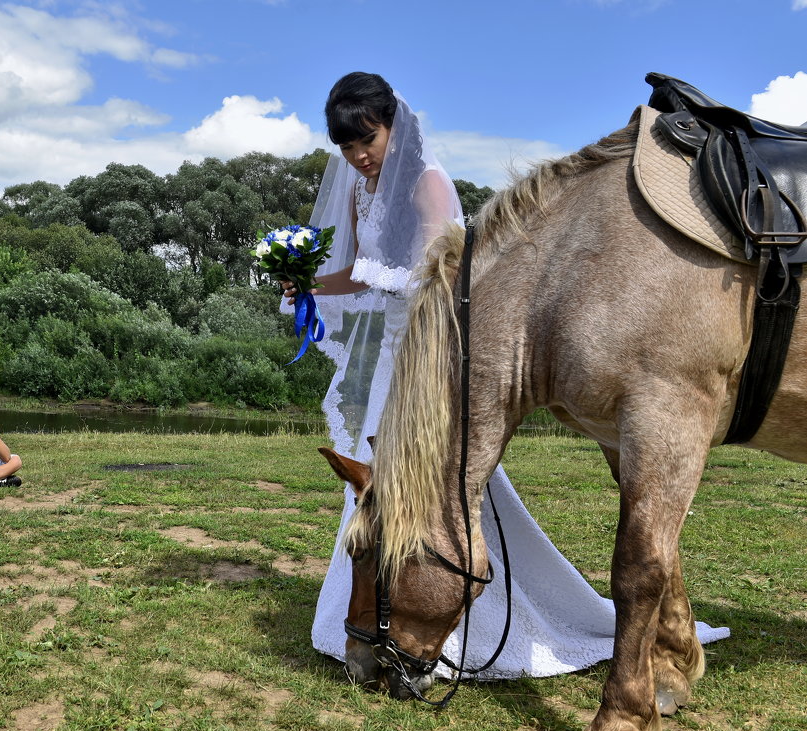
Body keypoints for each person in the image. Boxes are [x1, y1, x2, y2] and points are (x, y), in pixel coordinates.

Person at [291, 72, 728, 678]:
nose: (358, 156)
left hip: (427, 353)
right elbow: (362, 273)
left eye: (367, 139)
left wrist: (387, 281)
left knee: (444, 483)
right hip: (394, 351)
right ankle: (371, 610)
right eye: (347, 147)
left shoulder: (428, 184)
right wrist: (309, 283)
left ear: (394, 126)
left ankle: (471, 615)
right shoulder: (360, 193)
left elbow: (440, 279)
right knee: (378, 490)